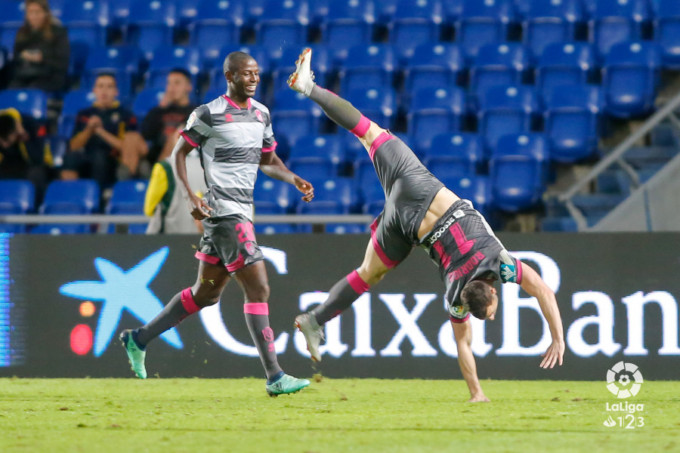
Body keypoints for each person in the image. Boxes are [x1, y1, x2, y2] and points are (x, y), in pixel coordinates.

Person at [289, 48, 565, 402]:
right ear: (490, 293)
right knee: (367, 274)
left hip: (416, 187)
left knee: (368, 132)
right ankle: (315, 320)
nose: (493, 316)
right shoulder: (455, 296)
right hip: (407, 227)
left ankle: (309, 88)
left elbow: (542, 290)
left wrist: (558, 336)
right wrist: (476, 394)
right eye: (493, 312)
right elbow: (464, 345)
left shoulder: (500, 262)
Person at [120, 51, 316, 396]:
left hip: (242, 209)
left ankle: (138, 338)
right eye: (246, 74)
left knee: (206, 294)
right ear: (230, 77)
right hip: (224, 212)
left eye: (256, 73)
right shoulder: (208, 113)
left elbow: (267, 160)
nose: (253, 79)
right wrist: (190, 197)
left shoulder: (262, 114)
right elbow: (178, 152)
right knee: (259, 288)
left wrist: (292, 178)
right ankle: (275, 377)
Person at [62, 73, 138, 189]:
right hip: (86, 155)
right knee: (70, 158)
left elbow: (128, 149)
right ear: (94, 91)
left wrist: (101, 132)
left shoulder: (126, 115)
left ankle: (99, 198)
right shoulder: (84, 114)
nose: (104, 91)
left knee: (99, 157)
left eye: (109, 87)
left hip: (113, 158)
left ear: (116, 92)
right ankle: (71, 198)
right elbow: (73, 146)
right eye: (100, 86)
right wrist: (89, 129)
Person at [121, 69, 197, 178]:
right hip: (154, 152)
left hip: (177, 157)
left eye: (177, 83)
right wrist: (160, 109)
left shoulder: (195, 111)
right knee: (131, 137)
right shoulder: (160, 110)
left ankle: (157, 177)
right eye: (169, 83)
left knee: (177, 135)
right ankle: (127, 182)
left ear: (189, 87)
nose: (171, 88)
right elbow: (146, 134)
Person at [144, 137, 207, 234]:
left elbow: (148, 209)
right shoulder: (213, 167)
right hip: (203, 238)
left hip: (171, 238)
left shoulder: (164, 167)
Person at [10, 0, 69, 93]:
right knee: (12, 90)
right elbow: (15, 56)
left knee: (33, 90)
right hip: (25, 75)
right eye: (30, 12)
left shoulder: (58, 32)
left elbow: (62, 62)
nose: (34, 16)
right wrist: (23, 56)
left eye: (37, 12)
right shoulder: (22, 33)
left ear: (46, 13)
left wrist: (42, 58)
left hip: (50, 76)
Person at [0, 107, 52, 195]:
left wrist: (24, 137)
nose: (5, 144)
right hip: (9, 164)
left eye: (7, 140)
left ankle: (34, 206)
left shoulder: (32, 125)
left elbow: (38, 159)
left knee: (36, 174)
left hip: (33, 164)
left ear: (14, 132)